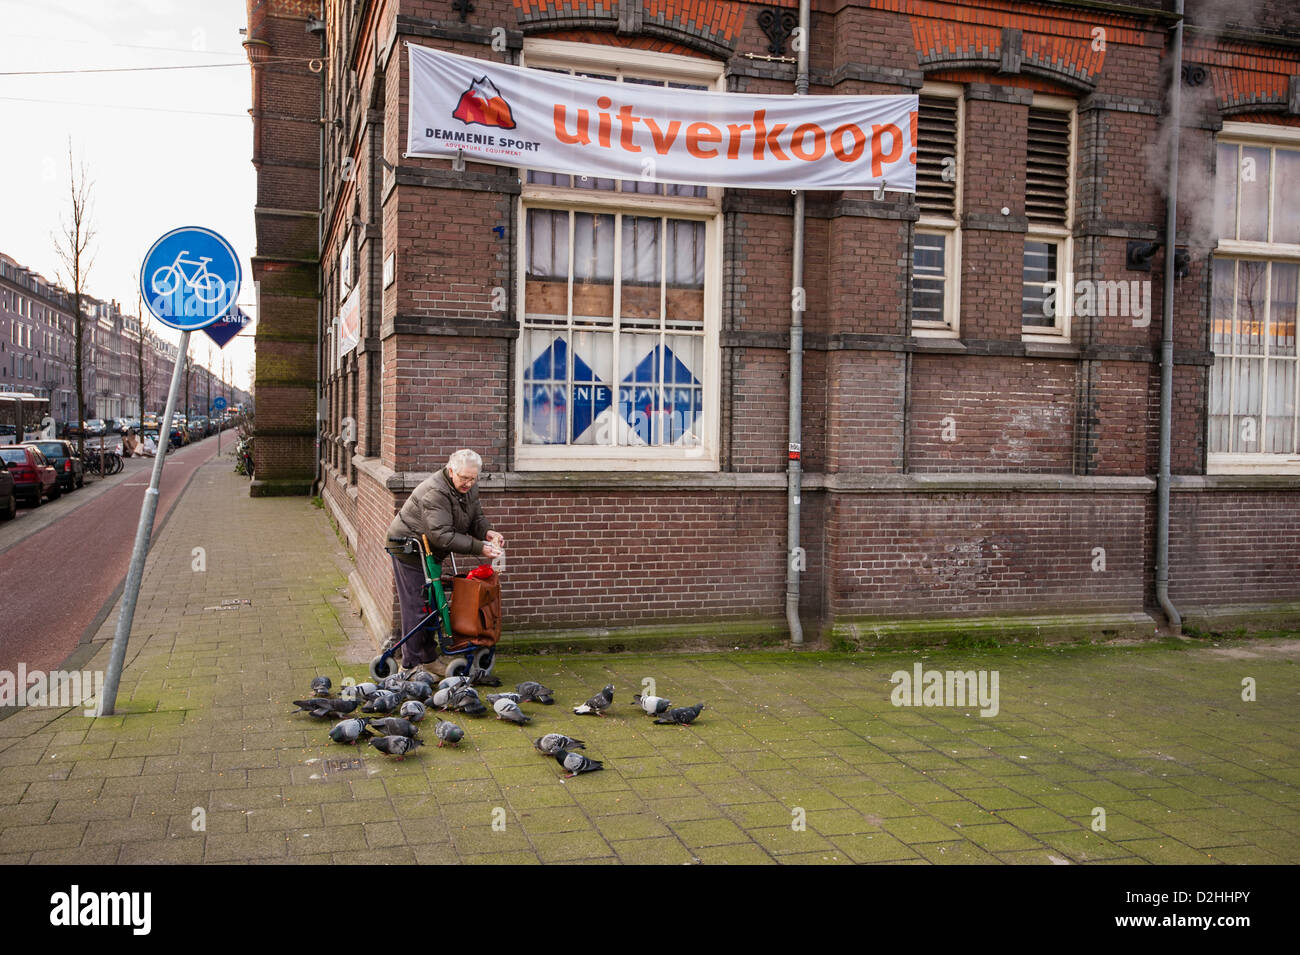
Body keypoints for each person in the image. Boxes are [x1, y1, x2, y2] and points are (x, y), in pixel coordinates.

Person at [385, 449, 504, 669]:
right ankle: (411, 665)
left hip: (430, 550)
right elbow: (442, 536)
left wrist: (487, 532)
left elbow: (475, 517)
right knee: (417, 606)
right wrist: (480, 548)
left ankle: (428, 659)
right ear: (451, 471)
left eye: (472, 478)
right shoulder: (435, 492)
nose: (468, 483)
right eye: (464, 478)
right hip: (409, 549)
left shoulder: (468, 488)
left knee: (432, 605)